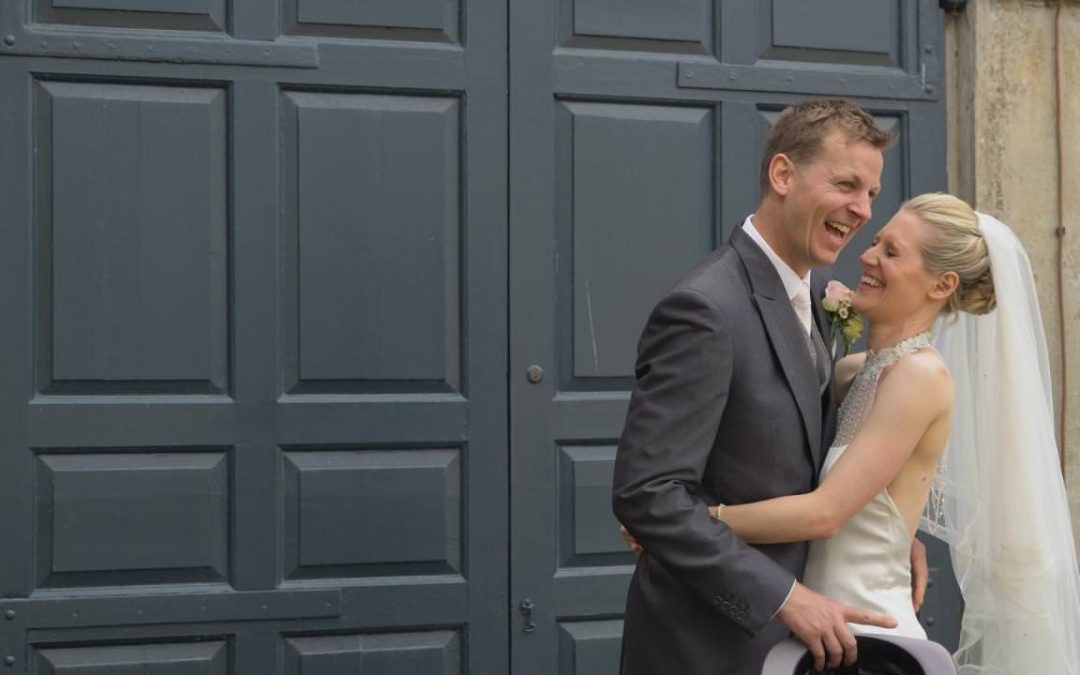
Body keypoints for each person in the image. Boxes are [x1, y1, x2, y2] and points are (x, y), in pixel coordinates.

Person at [625, 194, 1080, 674]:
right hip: (814, 637)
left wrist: (690, 520)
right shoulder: (852, 372)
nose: (868, 256)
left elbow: (824, 514)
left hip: (869, 642)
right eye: (878, 241)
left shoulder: (922, 379)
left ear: (943, 284)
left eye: (892, 252)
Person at [611, 98, 923, 675]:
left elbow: (813, 452)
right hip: (707, 645)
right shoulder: (705, 309)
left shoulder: (825, 297)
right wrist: (784, 596)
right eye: (847, 185)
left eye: (871, 195)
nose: (861, 211)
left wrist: (884, 533)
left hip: (808, 647)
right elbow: (648, 495)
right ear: (783, 175)